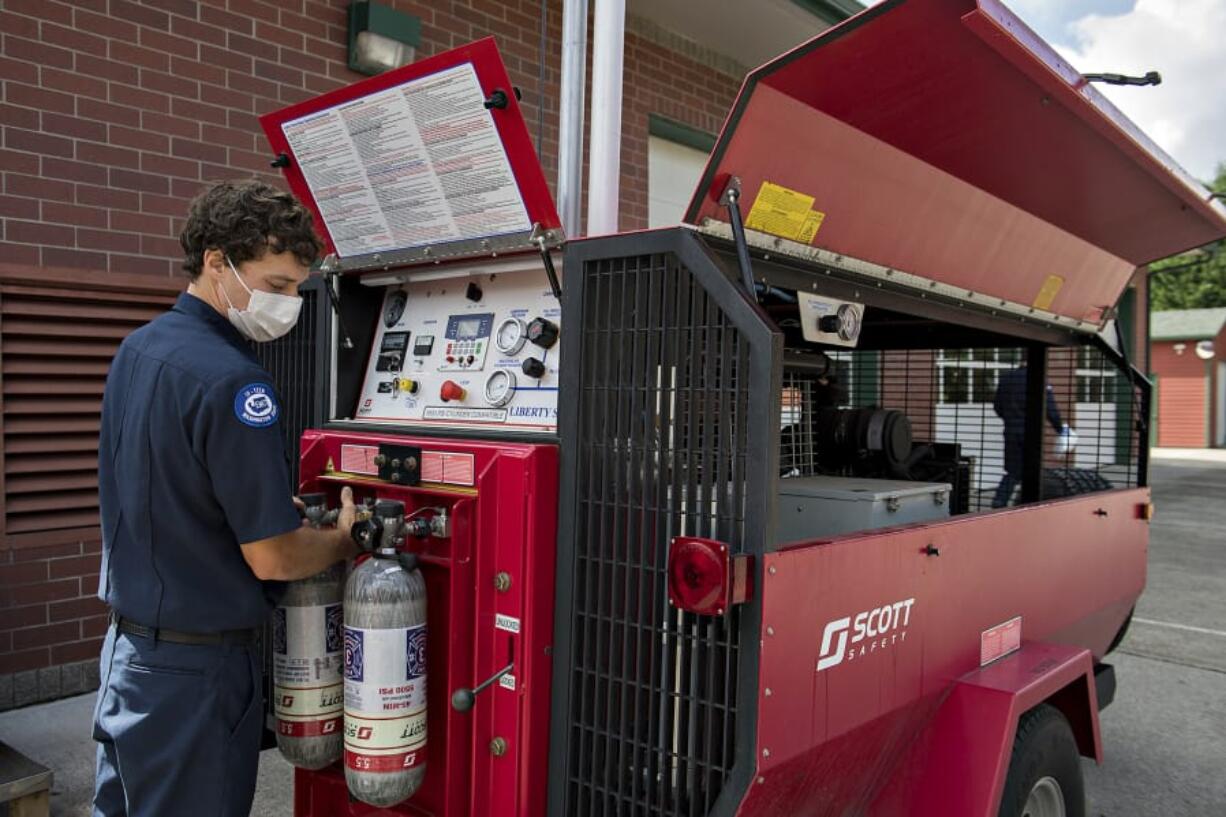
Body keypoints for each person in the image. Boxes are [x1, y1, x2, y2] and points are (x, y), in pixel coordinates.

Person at [92, 180, 358, 817]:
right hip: (197, 675)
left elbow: (170, 486)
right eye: (275, 286)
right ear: (216, 262)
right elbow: (273, 558)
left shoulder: (140, 349)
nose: (288, 304)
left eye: (296, 288)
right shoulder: (236, 383)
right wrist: (344, 537)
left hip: (129, 659)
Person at [991, 364, 1065, 508]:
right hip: (1031, 432)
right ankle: (1030, 502)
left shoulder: (1006, 379)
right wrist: (1060, 428)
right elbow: (1049, 407)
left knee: (1013, 469)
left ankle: (1000, 500)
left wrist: (1010, 419)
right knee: (1032, 469)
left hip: (1011, 431)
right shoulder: (1039, 379)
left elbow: (997, 406)